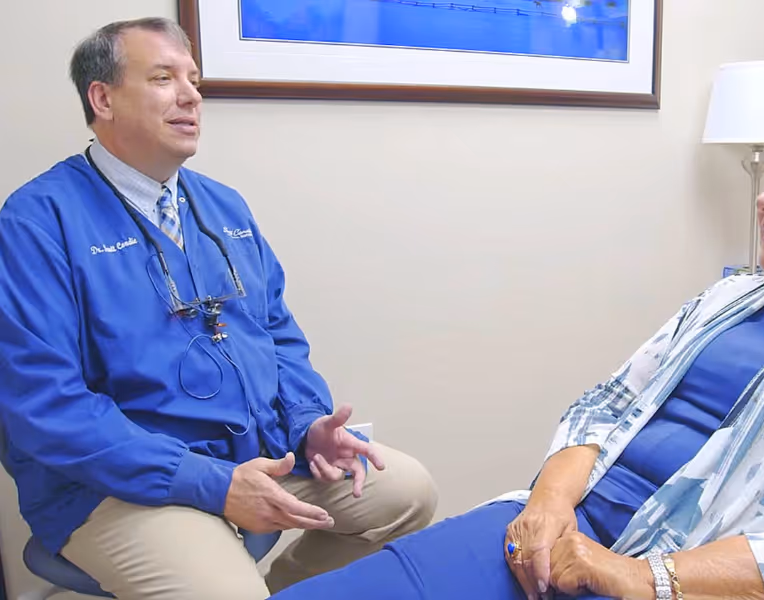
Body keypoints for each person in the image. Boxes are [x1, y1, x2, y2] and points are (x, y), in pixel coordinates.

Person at [272, 115, 764, 600]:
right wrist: (546, 506)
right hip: (568, 526)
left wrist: (644, 577)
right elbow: (608, 406)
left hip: (688, 570)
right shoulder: (732, 295)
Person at [0, 17, 438, 599]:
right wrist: (210, 483)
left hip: (248, 453)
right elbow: (45, 406)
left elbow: (278, 335)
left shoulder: (222, 207)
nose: (191, 97)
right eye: (163, 77)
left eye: (194, 80)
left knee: (407, 494)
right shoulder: (36, 224)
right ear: (101, 98)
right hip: (114, 486)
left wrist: (308, 426)